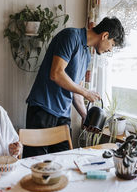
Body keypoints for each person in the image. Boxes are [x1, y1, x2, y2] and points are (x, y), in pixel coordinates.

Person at [23, 17, 125, 157]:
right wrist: (86, 92)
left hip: (63, 115)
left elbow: (75, 92)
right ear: (105, 36)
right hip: (43, 109)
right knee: (34, 163)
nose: (110, 49)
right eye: (112, 44)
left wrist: (85, 116)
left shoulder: (87, 56)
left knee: (64, 162)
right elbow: (56, 74)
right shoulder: (70, 36)